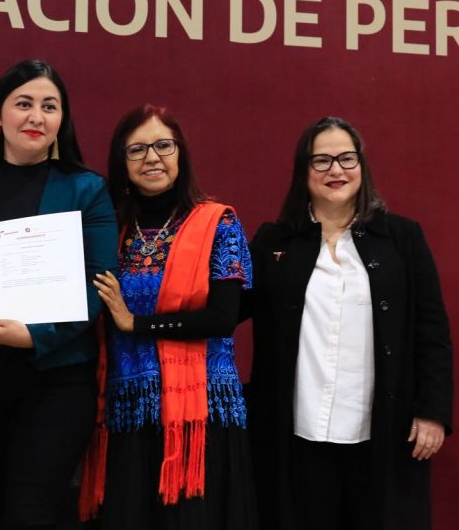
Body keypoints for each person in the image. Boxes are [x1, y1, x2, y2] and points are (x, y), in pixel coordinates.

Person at [244, 116, 452, 530]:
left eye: (346, 158)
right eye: (321, 160)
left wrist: (433, 412)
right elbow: (227, 308)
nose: (335, 170)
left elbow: (431, 331)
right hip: (298, 431)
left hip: (383, 431)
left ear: (362, 165)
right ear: (303, 170)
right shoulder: (274, 241)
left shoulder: (403, 237)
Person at [0, 60, 118, 529]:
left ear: (62, 119)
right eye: (23, 104)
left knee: (30, 515)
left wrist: (36, 335)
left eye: (49, 106)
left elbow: (100, 284)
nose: (36, 117)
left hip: (56, 382)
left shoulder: (86, 189)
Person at [87, 104, 256, 529]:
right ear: (122, 161)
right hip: (130, 411)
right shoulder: (110, 230)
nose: (152, 158)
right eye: (137, 149)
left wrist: (135, 323)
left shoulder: (218, 223)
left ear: (181, 153)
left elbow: (222, 317)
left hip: (201, 415)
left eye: (163, 145)